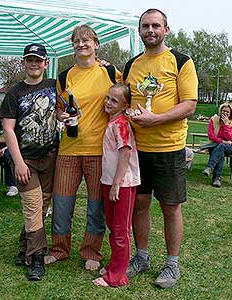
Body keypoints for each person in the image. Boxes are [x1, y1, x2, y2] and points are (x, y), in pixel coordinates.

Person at [123, 9, 198, 288]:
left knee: (170, 207)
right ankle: (141, 257)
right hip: (137, 148)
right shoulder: (131, 65)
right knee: (139, 204)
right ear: (139, 30)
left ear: (166, 29)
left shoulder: (181, 62)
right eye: (145, 26)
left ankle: (171, 265)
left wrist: (155, 119)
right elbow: (123, 97)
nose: (150, 30)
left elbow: (189, 104)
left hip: (169, 147)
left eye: (156, 25)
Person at [44, 24, 122, 271]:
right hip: (68, 150)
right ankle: (59, 249)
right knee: (62, 203)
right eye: (76, 41)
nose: (81, 44)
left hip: (99, 151)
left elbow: (124, 96)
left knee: (96, 206)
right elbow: (59, 108)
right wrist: (61, 116)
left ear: (96, 44)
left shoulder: (110, 72)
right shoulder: (65, 76)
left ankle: (92, 251)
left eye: (86, 40)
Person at [0, 43, 59, 281]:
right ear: (23, 63)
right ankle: (35, 257)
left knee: (41, 207)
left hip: (50, 156)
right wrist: (19, 162)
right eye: (29, 60)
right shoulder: (15, 93)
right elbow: (8, 129)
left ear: (45, 63)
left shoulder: (55, 86)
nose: (34, 64)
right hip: (25, 159)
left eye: (38, 60)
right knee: (33, 206)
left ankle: (25, 244)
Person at [92, 83, 140, 288]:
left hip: (123, 184)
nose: (108, 102)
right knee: (113, 227)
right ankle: (114, 264)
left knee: (121, 231)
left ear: (124, 105)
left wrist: (117, 183)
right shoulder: (112, 123)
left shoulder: (121, 124)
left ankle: (117, 276)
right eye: (108, 98)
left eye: (114, 100)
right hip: (109, 181)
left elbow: (125, 152)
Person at [202, 102, 232, 187]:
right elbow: (211, 135)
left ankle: (209, 167)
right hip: (215, 144)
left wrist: (226, 125)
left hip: (230, 146)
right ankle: (216, 179)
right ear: (220, 111)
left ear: (231, 114)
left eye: (227, 112)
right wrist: (222, 141)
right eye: (223, 111)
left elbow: (230, 138)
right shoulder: (213, 120)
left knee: (221, 147)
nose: (225, 113)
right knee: (220, 149)